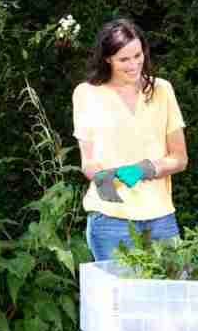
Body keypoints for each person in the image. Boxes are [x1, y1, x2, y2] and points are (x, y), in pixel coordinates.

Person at [73, 19, 188, 261]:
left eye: (138, 55)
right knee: (117, 298)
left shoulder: (161, 90)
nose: (134, 64)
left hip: (160, 218)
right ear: (107, 59)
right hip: (110, 219)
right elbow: (88, 162)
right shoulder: (87, 93)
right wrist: (104, 178)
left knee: (168, 295)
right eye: (123, 59)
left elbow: (180, 158)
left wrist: (145, 169)